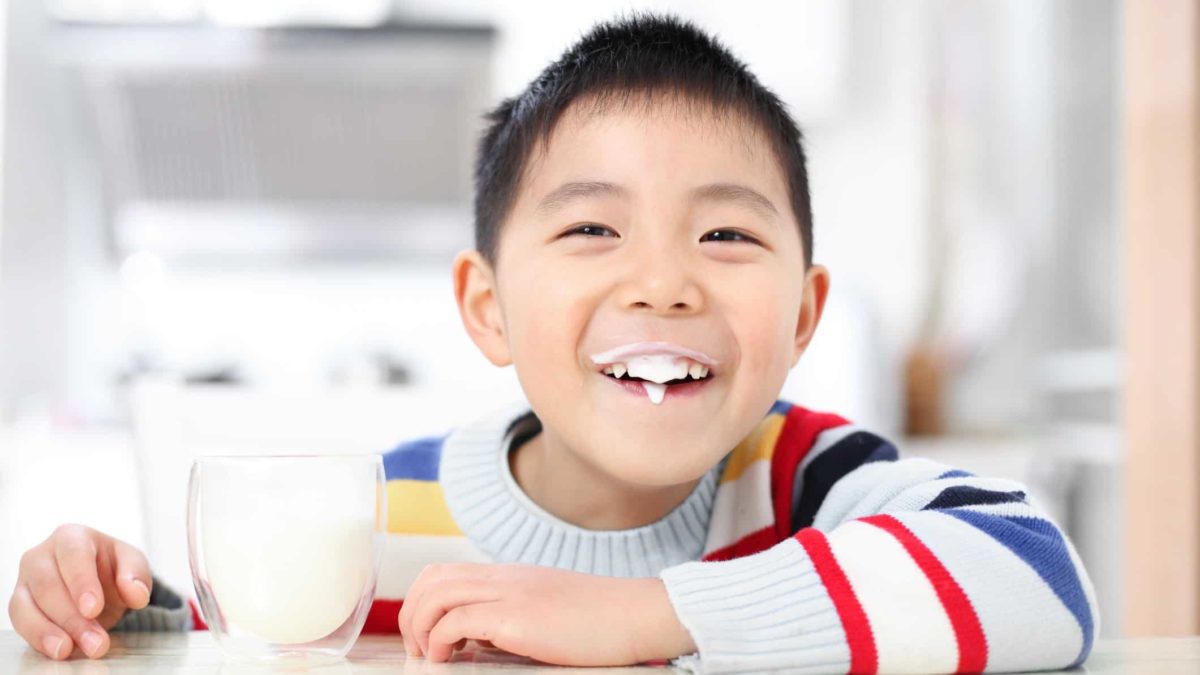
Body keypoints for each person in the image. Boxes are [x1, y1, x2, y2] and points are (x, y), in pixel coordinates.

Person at [8, 14, 1097, 673]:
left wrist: (644, 618)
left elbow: (1040, 578)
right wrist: (112, 601)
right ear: (486, 309)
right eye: (591, 230)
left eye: (724, 233)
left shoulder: (805, 480)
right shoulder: (394, 513)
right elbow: (231, 627)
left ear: (804, 316)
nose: (664, 284)